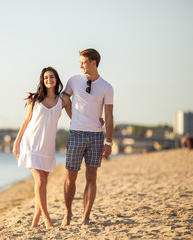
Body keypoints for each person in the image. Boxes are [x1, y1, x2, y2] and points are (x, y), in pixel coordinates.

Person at [13, 66, 72, 228]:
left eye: (51, 77)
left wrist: (96, 121)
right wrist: (16, 142)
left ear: (56, 79)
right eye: (46, 77)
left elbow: (76, 118)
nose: (49, 80)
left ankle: (34, 222)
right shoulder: (34, 99)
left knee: (43, 183)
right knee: (39, 180)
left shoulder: (63, 100)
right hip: (31, 144)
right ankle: (47, 220)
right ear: (42, 80)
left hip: (47, 147)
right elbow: (26, 121)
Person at [62, 48, 114, 226]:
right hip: (75, 133)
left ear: (93, 63)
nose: (80, 65)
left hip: (96, 137)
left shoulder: (107, 87)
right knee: (70, 177)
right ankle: (68, 213)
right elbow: (64, 99)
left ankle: (85, 217)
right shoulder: (74, 80)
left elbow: (109, 115)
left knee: (91, 177)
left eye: (83, 62)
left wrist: (108, 142)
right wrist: (73, 117)